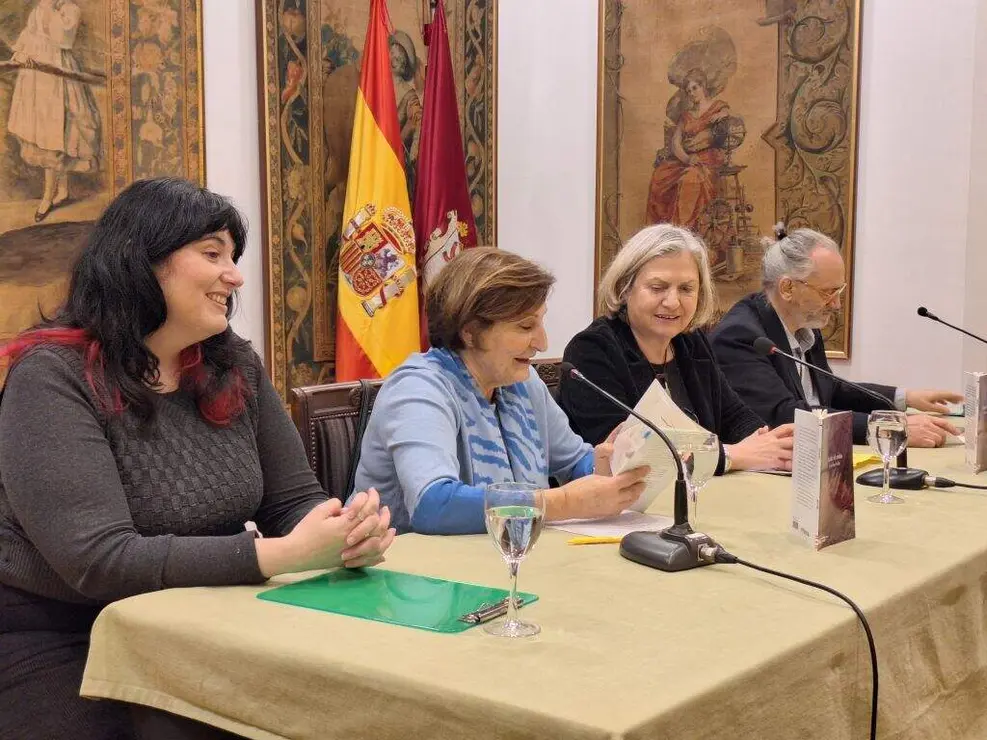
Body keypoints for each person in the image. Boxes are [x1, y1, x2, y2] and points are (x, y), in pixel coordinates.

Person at [0, 178, 394, 739]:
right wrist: (276, 556)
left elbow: (293, 500)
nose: (234, 275)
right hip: (60, 632)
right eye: (212, 254)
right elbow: (98, 561)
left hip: (203, 618)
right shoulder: (52, 376)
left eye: (233, 256)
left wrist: (343, 532)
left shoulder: (235, 365)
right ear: (141, 262)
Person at [353, 248, 650, 535]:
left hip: (500, 561)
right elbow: (433, 504)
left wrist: (606, 463)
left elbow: (574, 462)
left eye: (541, 322)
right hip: (406, 574)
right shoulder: (418, 388)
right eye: (524, 327)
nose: (542, 343)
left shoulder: (522, 381)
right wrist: (563, 503)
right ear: (469, 331)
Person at [560, 223, 794, 474]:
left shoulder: (691, 342)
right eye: (658, 287)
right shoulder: (592, 351)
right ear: (624, 289)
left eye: (686, 289)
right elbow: (631, 456)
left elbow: (733, 415)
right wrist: (731, 455)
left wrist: (772, 445)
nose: (672, 302)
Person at [709, 226, 962, 446]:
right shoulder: (741, 337)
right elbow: (783, 415)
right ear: (788, 288)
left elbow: (829, 390)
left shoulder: (805, 323)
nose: (837, 305)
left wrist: (903, 398)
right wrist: (883, 427)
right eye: (828, 292)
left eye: (838, 291)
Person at [7, 0, 102, 222]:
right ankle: (60, 192)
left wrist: (50, 10)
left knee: (62, 132)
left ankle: (49, 195)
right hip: (36, 78)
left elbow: (63, 40)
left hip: (58, 72)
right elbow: (29, 34)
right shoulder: (40, 8)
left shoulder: (70, 10)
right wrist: (21, 55)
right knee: (45, 132)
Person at [645, 68, 729, 231]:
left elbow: (729, 119)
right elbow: (676, 143)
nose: (692, 93)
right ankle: (662, 231)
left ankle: (683, 229)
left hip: (708, 160)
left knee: (689, 180)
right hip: (687, 160)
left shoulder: (717, 107)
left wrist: (723, 114)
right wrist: (687, 159)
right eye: (688, 90)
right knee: (660, 176)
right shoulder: (686, 115)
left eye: (695, 88)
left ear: (703, 86)